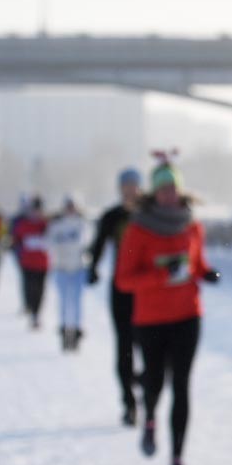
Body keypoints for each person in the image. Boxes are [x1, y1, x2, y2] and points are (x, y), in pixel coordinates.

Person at [115, 156, 219, 465]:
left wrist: (208, 273)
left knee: (183, 385)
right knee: (155, 381)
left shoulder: (192, 225)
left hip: (188, 315)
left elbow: (197, 263)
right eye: (162, 188)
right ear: (153, 193)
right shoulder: (138, 228)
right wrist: (161, 275)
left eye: (173, 187)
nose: (169, 194)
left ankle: (177, 461)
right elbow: (124, 281)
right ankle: (149, 419)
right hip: (151, 319)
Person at [88, 168, 145, 425]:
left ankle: (144, 382)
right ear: (120, 188)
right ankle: (128, 402)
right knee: (124, 347)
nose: (130, 189)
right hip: (121, 289)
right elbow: (98, 244)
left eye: (135, 185)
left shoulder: (149, 215)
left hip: (147, 290)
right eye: (126, 185)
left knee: (149, 345)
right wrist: (93, 269)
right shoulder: (111, 217)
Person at [46, 195, 90, 351]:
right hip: (61, 268)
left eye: (73, 206)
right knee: (64, 302)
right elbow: (50, 243)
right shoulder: (56, 225)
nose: (70, 209)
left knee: (77, 302)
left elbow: (84, 243)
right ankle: (64, 331)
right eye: (68, 206)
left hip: (78, 268)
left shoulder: (82, 224)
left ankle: (77, 332)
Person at [11, 196, 50, 329]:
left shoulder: (46, 224)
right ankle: (31, 308)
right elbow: (16, 239)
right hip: (27, 263)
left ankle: (36, 314)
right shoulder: (24, 224)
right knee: (29, 288)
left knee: (40, 290)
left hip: (43, 264)